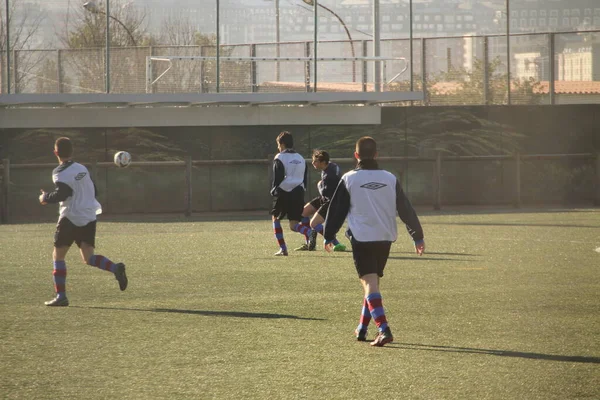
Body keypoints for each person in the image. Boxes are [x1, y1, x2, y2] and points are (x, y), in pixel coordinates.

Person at [324, 136, 425, 347]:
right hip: (386, 237)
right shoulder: (390, 178)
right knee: (372, 283)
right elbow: (405, 208)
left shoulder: (349, 178)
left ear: (356, 156)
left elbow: (337, 209)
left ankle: (383, 328)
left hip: (362, 238)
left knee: (369, 282)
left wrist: (328, 234)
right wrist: (417, 235)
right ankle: (362, 328)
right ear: (377, 155)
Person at [39, 137, 127, 306]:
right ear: (72, 151)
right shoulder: (82, 168)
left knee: (58, 256)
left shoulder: (59, 172)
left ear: (55, 152)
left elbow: (62, 194)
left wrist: (44, 197)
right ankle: (115, 268)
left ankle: (61, 297)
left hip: (70, 217)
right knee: (88, 257)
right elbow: (95, 190)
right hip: (89, 215)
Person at [270, 131, 312, 256]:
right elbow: (305, 176)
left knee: (275, 218)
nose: (278, 147)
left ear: (282, 144)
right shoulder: (300, 157)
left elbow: (277, 177)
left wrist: (274, 190)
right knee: (294, 224)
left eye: (278, 144)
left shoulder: (279, 157)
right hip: (298, 191)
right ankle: (309, 233)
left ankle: (283, 249)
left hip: (284, 191)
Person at [295, 149, 346, 252]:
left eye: (315, 161)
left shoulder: (329, 176)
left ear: (323, 162)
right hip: (325, 198)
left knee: (313, 224)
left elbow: (324, 192)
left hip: (331, 202)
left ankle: (336, 243)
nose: (313, 163)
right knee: (303, 213)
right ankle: (309, 242)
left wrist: (319, 185)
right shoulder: (331, 166)